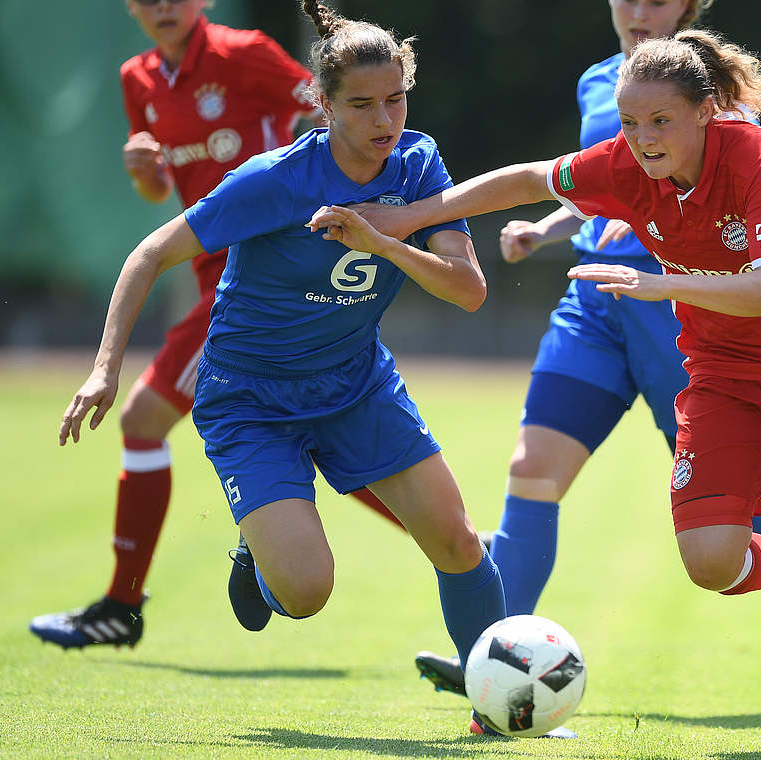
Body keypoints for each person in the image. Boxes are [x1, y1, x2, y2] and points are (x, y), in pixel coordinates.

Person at [337, 29, 761, 752]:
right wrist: (414, 217)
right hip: (725, 377)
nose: (642, 139)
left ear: (706, 112)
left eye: (660, 121)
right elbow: (530, 179)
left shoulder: (759, 159)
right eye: (630, 124)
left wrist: (660, 283)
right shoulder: (625, 167)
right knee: (709, 561)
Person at [56, 0, 510, 738]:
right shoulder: (272, 181)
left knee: (458, 541)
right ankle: (262, 555)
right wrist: (104, 370)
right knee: (305, 593)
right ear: (322, 105)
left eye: (395, 99)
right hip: (250, 401)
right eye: (360, 104)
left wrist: (385, 240)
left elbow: (468, 290)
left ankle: (495, 710)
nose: (383, 119)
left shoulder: (420, 165)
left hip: (357, 383)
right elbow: (148, 253)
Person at [412, 0, 761, 711]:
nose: (635, 10)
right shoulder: (599, 81)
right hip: (595, 303)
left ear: (688, 6)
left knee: (730, 500)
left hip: (677, 307)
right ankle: (491, 655)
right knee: (532, 469)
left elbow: (723, 198)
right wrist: (544, 228)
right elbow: (604, 184)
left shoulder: (712, 97)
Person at [28, 0, 408, 651]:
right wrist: (148, 177)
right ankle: (439, 536)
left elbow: (331, 114)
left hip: (254, 282)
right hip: (207, 278)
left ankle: (126, 602)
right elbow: (161, 192)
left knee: (148, 418)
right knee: (290, 426)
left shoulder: (244, 53)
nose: (163, 7)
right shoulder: (137, 79)